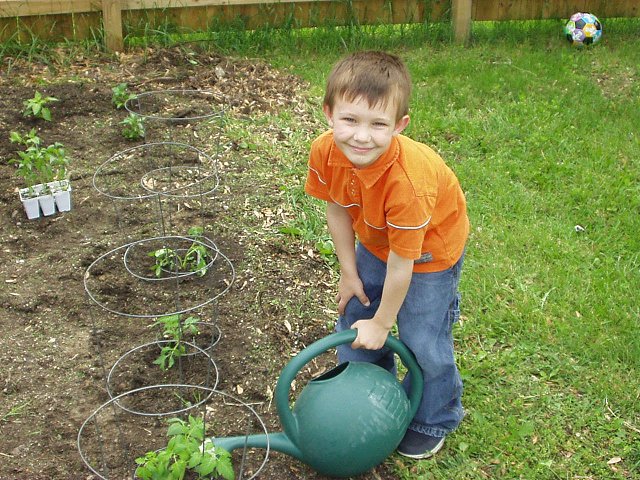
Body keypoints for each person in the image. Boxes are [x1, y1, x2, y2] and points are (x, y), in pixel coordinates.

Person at [304, 50, 469, 459]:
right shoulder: (325, 152)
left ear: (400, 125)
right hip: (377, 240)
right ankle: (370, 390)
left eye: (378, 124)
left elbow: (403, 263)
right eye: (350, 120)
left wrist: (383, 321)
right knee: (356, 311)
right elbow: (337, 208)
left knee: (421, 338)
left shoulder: (409, 182)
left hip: (429, 255)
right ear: (329, 113)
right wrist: (348, 271)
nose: (362, 136)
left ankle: (433, 417)